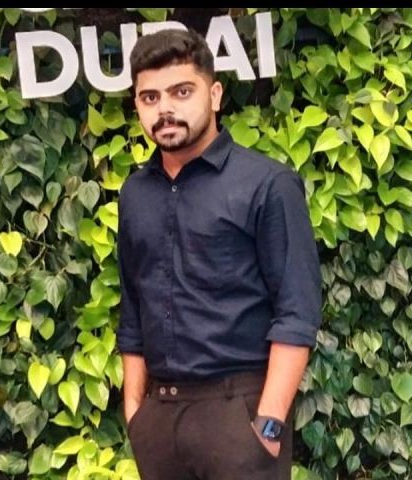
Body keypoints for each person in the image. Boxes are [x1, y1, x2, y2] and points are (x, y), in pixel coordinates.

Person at [116, 28, 322, 480]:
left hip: (239, 415)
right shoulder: (135, 194)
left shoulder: (267, 184)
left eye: (181, 91)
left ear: (214, 95)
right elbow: (133, 310)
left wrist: (268, 425)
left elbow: (297, 311)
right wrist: (136, 416)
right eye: (149, 97)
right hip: (159, 421)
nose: (164, 109)